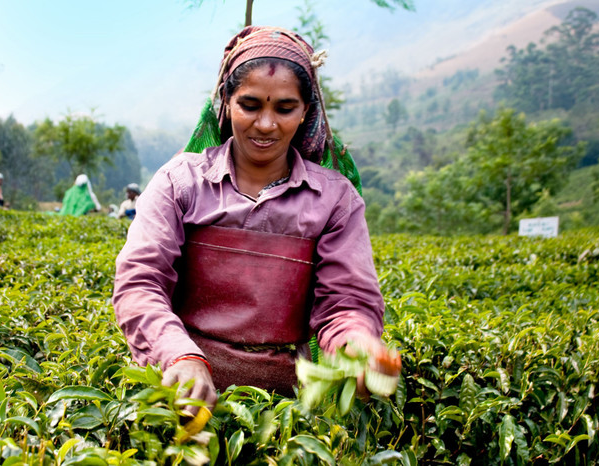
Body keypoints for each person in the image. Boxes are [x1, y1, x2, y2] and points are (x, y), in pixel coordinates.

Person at [113, 26, 396, 410]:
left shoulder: (334, 199)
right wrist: (179, 356)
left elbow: (346, 301)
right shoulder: (180, 183)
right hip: (182, 393)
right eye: (250, 105)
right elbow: (140, 284)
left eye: (284, 108)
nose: (266, 124)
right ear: (226, 102)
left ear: (305, 113)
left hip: (289, 406)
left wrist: (358, 343)